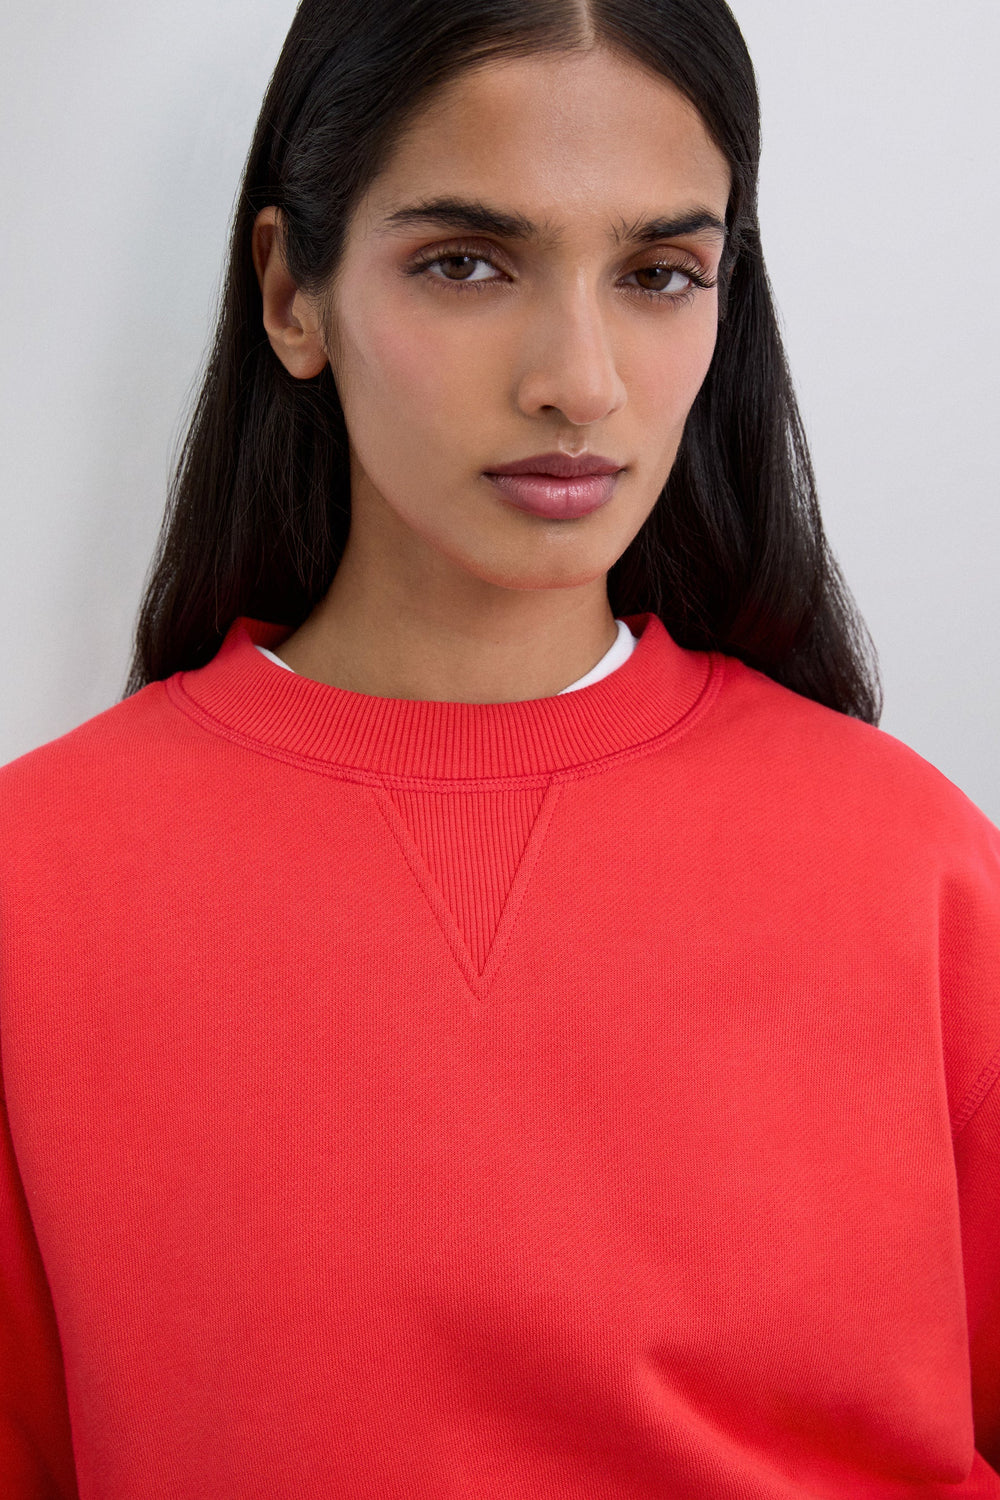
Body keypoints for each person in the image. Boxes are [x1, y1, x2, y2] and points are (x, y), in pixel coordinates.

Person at [1, 0, 998, 1494]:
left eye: (660, 274)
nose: (579, 381)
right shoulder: (36, 886)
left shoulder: (916, 869)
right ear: (291, 294)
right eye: (468, 262)